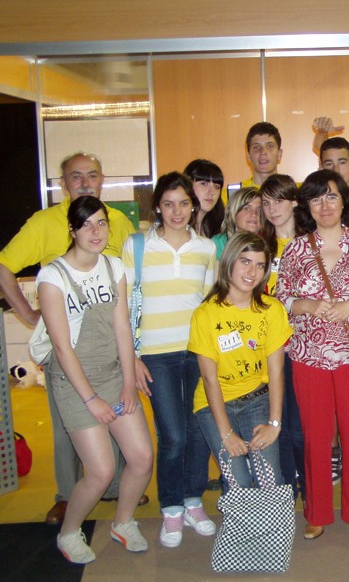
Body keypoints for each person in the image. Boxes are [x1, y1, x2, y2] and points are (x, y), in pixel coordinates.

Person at [0, 151, 138, 525]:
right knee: (69, 424)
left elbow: (132, 279)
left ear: (102, 180)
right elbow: (4, 266)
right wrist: (29, 314)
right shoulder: (44, 222)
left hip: (109, 344)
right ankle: (67, 495)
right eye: (76, 176)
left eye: (92, 175)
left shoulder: (117, 222)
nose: (84, 182)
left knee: (118, 413)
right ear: (63, 183)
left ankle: (113, 486)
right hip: (66, 346)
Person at [38, 196, 152, 564]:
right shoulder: (53, 277)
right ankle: (69, 532)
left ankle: (123, 522)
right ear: (72, 230)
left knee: (141, 457)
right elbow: (61, 346)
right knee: (101, 471)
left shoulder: (113, 266)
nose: (95, 231)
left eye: (101, 223)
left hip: (113, 373)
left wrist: (127, 382)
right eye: (86, 224)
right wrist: (91, 400)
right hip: (74, 383)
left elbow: (122, 326)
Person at [276, 169, 349, 541]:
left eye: (332, 196)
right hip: (308, 356)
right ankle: (317, 511)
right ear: (307, 206)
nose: (324, 205)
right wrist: (304, 304)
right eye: (316, 198)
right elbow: (280, 297)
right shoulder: (295, 249)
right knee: (315, 438)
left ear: (344, 202)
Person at [123, 172, 217, 549]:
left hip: (196, 352)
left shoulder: (206, 248)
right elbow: (124, 306)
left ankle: (193, 500)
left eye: (183, 203)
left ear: (193, 206)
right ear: (157, 207)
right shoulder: (137, 246)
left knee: (197, 432)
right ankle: (172, 507)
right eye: (168, 204)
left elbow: (210, 306)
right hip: (155, 355)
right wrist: (132, 357)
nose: (177, 211)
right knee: (173, 435)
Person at [189, 232, 291, 487]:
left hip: (256, 399)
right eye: (245, 262)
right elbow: (209, 379)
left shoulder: (272, 309)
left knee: (269, 480)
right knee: (238, 482)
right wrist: (226, 433)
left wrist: (274, 424)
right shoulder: (205, 314)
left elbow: (276, 372)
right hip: (213, 404)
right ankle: (240, 516)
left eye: (260, 265)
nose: (252, 272)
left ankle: (271, 517)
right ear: (230, 262)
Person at [261, 174, 305, 499]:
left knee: (302, 426)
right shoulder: (259, 246)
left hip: (305, 346)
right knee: (280, 423)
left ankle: (311, 482)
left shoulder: (310, 243)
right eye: (266, 203)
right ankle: (287, 486)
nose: (272, 209)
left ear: (294, 202)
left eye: (279, 200)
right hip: (270, 347)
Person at [212, 186, 263, 258]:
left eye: (259, 210)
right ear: (234, 212)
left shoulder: (270, 243)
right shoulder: (217, 244)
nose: (254, 214)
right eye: (247, 208)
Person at [238, 121, 283, 193]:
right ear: (248, 156)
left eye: (270, 146)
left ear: (279, 154)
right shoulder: (231, 194)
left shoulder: (295, 192)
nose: (263, 152)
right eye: (256, 147)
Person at [184, 159, 224, 238]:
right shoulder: (176, 226)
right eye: (204, 184)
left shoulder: (222, 229)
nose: (212, 192)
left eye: (217, 187)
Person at [320, 137, 349, 204]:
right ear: (321, 168)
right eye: (329, 164)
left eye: (342, 163)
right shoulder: (314, 206)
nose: (336, 170)